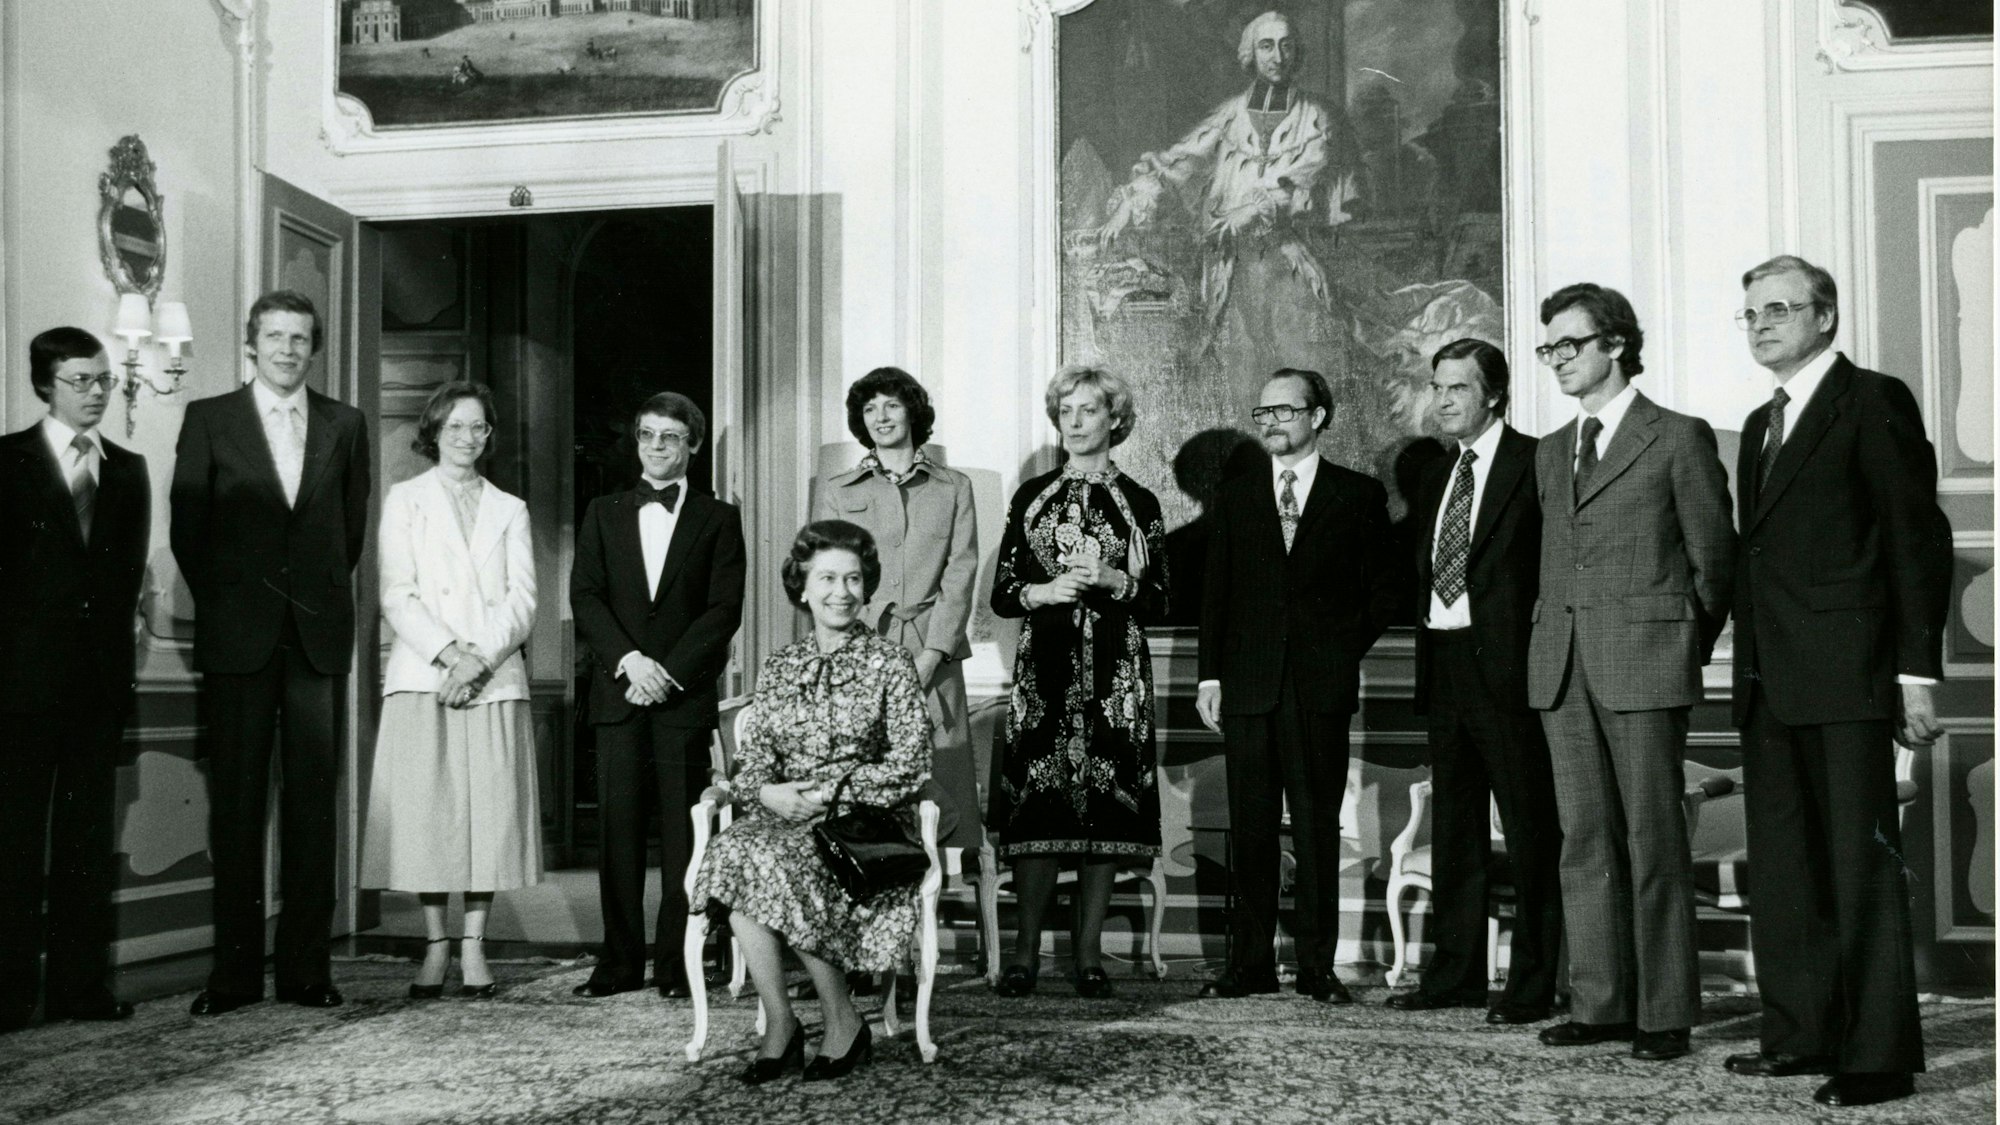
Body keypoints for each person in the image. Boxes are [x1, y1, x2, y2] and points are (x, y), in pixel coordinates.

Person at [1723, 256, 1951, 1108]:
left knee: (1859, 869)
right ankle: (1800, 1033)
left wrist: (1914, 675)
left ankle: (1877, 1055)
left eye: (1778, 309)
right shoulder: (1759, 422)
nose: (1761, 324)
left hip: (1851, 677)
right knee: (1785, 870)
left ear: (1825, 316)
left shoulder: (1873, 401)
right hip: (1770, 681)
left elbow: (1913, 538)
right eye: (1748, 314)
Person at [1527, 283, 1734, 1061]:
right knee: (1584, 841)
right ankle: (1601, 1004)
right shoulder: (1552, 449)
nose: (1556, 361)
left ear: (1615, 343)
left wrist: (1675, 640)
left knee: (1654, 842)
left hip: (1644, 665)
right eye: (1548, 349)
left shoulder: (1677, 437)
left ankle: (1664, 1011)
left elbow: (1715, 561)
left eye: (1569, 345)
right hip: (1561, 669)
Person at [172, 290, 371, 1016]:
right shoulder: (210, 419)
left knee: (314, 810)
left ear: (313, 348)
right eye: (275, 336)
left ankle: (305, 971)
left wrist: (305, 603)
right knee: (236, 811)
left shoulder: (345, 425)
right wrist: (235, 604)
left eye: (301, 338)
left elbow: (349, 534)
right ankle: (231, 977)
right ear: (251, 343)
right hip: (238, 642)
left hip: (315, 642)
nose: (288, 348)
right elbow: (188, 531)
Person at [691, 520, 932, 1085]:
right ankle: (782, 1022)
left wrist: (829, 794)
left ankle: (842, 1020)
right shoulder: (781, 666)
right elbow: (753, 765)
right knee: (733, 852)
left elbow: (911, 763)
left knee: (782, 860)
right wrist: (768, 792)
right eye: (827, 578)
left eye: (853, 579)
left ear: (866, 587)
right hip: (786, 812)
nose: (841, 592)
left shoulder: (890, 663)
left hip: (861, 821)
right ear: (802, 586)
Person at [1196, 367, 1399, 1003]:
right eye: (1263, 414)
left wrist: (1338, 649)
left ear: (1318, 416)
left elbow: (1385, 592)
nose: (1272, 424)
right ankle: (1249, 966)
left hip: (1319, 690)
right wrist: (1210, 676)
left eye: (1284, 411)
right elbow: (1217, 595)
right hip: (1248, 689)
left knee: (1315, 830)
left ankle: (1317, 967)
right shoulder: (1236, 498)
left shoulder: (1357, 495)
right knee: (1251, 831)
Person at [1386, 339, 1563, 1024]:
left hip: (1514, 672)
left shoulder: (1535, 461)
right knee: (1456, 829)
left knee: (1528, 831)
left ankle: (1532, 982)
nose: (1444, 399)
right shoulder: (1435, 475)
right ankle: (1456, 973)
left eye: (1458, 386)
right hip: (1447, 665)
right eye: (1438, 386)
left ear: (1493, 393)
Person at [989, 366, 1168, 1000]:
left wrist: (1117, 581)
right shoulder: (1031, 496)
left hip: (1117, 679)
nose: (1075, 420)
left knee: (1105, 815)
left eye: (1089, 410)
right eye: (1066, 409)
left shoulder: (1139, 503)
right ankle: (1023, 955)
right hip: (1046, 675)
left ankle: (1089, 955)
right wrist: (1040, 590)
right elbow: (1003, 593)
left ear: (1114, 419)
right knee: (1039, 811)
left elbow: (1162, 599)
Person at [361, 382, 542, 1000]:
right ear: (434, 430)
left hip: (492, 678)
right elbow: (396, 592)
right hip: (425, 674)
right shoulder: (405, 499)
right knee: (429, 815)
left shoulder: (509, 507)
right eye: (458, 426)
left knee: (487, 817)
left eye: (480, 428)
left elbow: (523, 600)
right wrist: (449, 655)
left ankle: (474, 945)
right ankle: (436, 945)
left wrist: (478, 659)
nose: (469, 438)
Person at [1095, 10, 1358, 418]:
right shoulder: (1230, 114)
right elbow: (1178, 162)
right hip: (1229, 266)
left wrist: (1250, 210)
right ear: (1250, 54)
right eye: (1266, 46)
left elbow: (1304, 178)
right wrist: (1130, 203)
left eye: (1286, 45)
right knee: (1241, 373)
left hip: (1288, 260)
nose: (1278, 56)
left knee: (1299, 365)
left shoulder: (1317, 117)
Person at [570, 391, 745, 1000]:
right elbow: (586, 598)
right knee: (616, 834)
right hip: (619, 695)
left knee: (682, 836)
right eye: (647, 435)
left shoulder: (719, 519)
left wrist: (666, 672)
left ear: (692, 444)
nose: (657, 447)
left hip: (681, 697)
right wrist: (630, 663)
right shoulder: (603, 511)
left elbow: (723, 610)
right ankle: (618, 962)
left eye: (670, 437)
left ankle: (677, 964)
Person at [0, 328, 149, 1030]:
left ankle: (78, 989)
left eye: (104, 380)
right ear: (45, 385)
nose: (96, 393)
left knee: (88, 844)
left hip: (98, 689)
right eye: (81, 381)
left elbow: (122, 589)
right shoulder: (6, 463)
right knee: (15, 844)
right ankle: (7, 993)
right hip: (20, 692)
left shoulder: (128, 469)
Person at [813, 368, 980, 854]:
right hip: (863, 652)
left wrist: (932, 653)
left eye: (891, 405)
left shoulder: (953, 487)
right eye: (869, 409)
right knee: (865, 778)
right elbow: (831, 577)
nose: (881, 417)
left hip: (936, 654)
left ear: (913, 411)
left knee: (940, 776)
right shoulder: (840, 490)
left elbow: (961, 572)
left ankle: (935, 898)